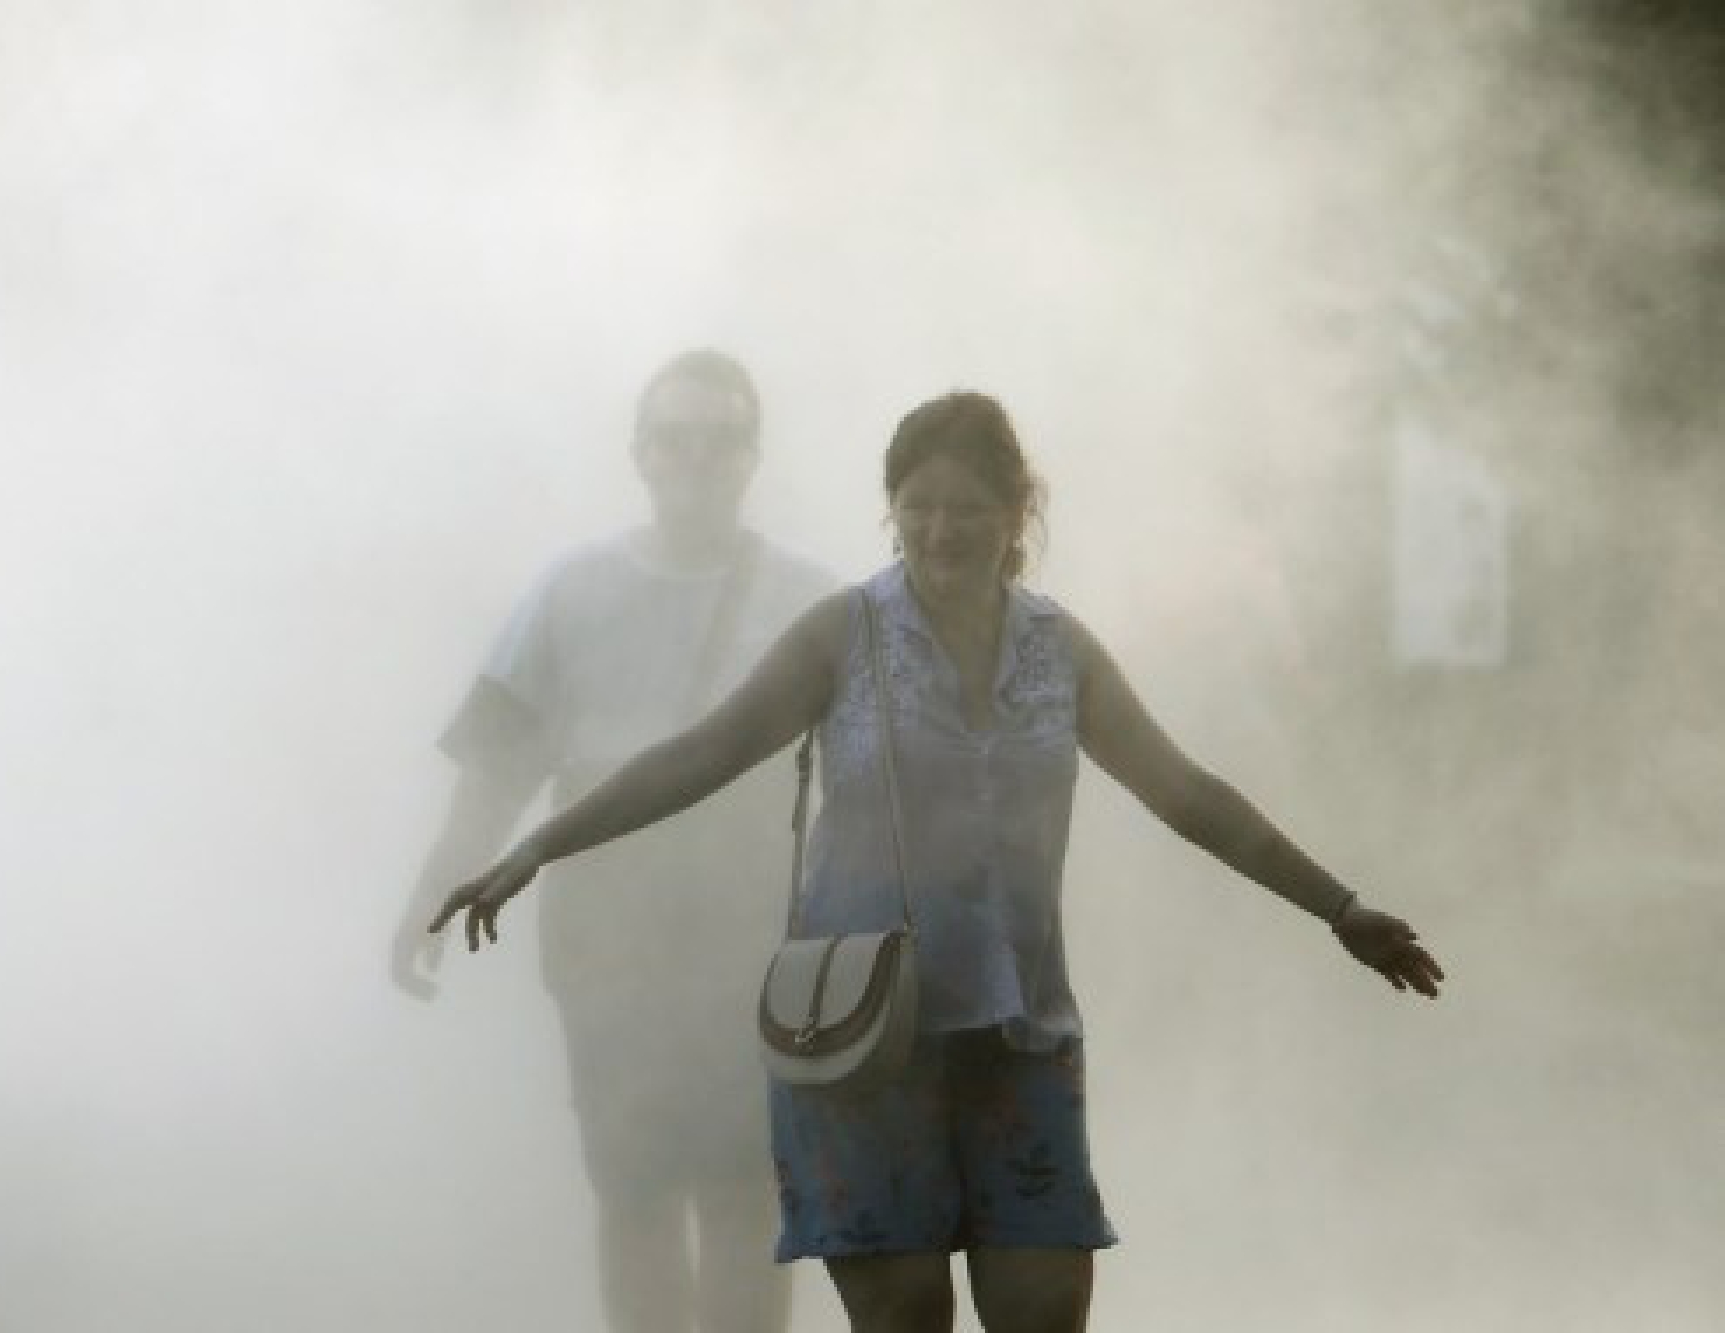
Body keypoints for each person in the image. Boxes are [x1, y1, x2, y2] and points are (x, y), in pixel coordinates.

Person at [427, 390, 1448, 1333]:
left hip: (1018, 1035)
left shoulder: (1059, 650)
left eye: (965, 508)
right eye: (914, 507)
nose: (938, 531)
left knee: (1043, 1312)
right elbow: (700, 754)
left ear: (1017, 512)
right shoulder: (843, 633)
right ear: (890, 512)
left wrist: (1337, 907)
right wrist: (534, 848)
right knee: (906, 1315)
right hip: (864, 1037)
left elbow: (1183, 794)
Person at [391, 349, 833, 1333]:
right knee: (630, 1182)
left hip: (751, 915)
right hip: (606, 920)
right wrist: (432, 895)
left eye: (718, 441)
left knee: (744, 1183)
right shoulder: (571, 590)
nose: (695, 461)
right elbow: (496, 770)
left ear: (749, 456)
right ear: (640, 454)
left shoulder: (809, 599)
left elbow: (869, 779)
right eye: (674, 440)